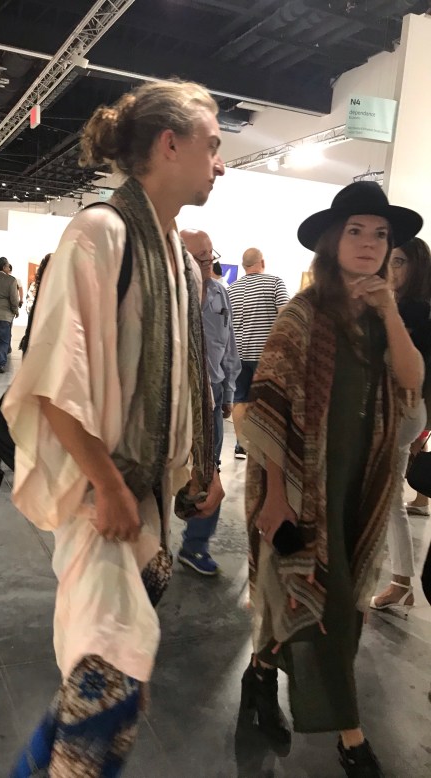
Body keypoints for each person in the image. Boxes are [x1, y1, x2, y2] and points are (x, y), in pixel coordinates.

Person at [2, 79, 225, 777]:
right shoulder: (100, 233)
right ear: (170, 144)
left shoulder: (178, 259)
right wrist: (107, 485)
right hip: (102, 504)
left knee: (106, 688)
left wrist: (199, 470)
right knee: (108, 689)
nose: (220, 165)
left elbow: (185, 379)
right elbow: (54, 379)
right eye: (213, 146)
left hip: (145, 503)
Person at [239, 182, 423, 777]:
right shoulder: (302, 315)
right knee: (332, 606)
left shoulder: (380, 319)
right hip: (302, 485)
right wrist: (274, 495)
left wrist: (390, 312)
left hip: (360, 487)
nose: (370, 243)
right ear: (331, 241)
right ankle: (351, 738)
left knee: (296, 598)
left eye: (381, 235)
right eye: (356, 231)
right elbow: (269, 404)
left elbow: (412, 379)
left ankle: (258, 678)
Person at [370, 237, 431, 611]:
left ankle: (396, 580)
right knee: (390, 497)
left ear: (416, 267)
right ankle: (400, 582)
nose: (391, 269)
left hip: (400, 411)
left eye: (399, 262)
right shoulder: (413, 308)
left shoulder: (412, 311)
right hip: (407, 411)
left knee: (384, 497)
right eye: (390, 261)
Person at [177, 228, 240, 575]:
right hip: (174, 397)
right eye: (197, 257)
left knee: (209, 471)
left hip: (211, 398)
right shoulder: (169, 292)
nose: (205, 263)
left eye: (209, 256)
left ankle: (195, 546)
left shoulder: (220, 293)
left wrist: (228, 393)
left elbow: (229, 346)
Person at [227, 247, 289, 458]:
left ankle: (240, 445)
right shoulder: (275, 283)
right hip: (264, 355)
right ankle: (262, 449)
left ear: (243, 266)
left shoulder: (232, 289)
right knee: (266, 402)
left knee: (239, 399)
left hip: (237, 355)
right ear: (262, 262)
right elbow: (284, 316)